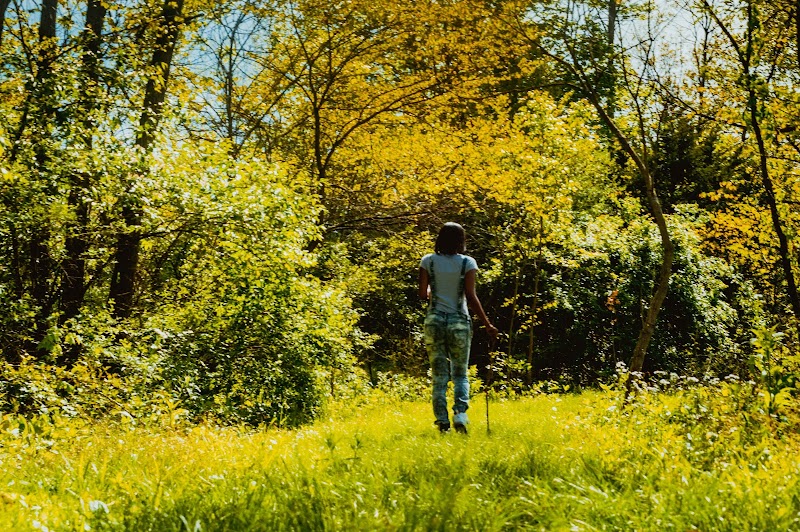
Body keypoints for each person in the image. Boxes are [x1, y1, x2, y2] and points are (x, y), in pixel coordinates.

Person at [418, 222, 498, 434]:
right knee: (460, 373)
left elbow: (422, 294)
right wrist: (487, 324)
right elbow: (471, 296)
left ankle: (442, 422)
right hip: (459, 321)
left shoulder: (428, 261)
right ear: (461, 240)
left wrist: (433, 290)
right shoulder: (467, 262)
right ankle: (460, 414)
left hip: (434, 320)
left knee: (439, 375)